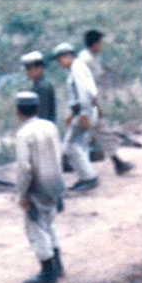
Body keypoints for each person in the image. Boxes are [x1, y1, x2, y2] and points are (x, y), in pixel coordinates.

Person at [13, 91, 66, 283]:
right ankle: (58, 265)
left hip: (37, 187)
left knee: (36, 228)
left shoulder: (23, 134)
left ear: (18, 111)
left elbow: (24, 169)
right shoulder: (49, 126)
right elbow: (58, 154)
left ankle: (47, 271)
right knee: (50, 223)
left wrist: (23, 194)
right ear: (37, 108)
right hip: (54, 182)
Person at [77, 29, 134, 175]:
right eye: (100, 42)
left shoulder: (88, 57)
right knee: (100, 132)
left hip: (83, 102)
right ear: (95, 44)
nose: (102, 45)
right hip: (85, 103)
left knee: (88, 135)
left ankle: (115, 163)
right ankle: (117, 164)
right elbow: (89, 87)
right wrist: (97, 105)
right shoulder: (87, 60)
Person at [54, 42, 99, 191]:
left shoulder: (77, 68)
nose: (59, 63)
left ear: (67, 56)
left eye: (60, 59)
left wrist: (84, 114)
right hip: (81, 111)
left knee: (71, 146)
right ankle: (85, 176)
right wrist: (72, 115)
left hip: (84, 111)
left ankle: (89, 177)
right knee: (77, 146)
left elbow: (84, 93)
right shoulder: (75, 68)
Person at [20, 50, 56, 124]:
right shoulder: (38, 84)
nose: (28, 73)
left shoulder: (42, 87)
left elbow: (43, 114)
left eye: (29, 69)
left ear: (39, 68)